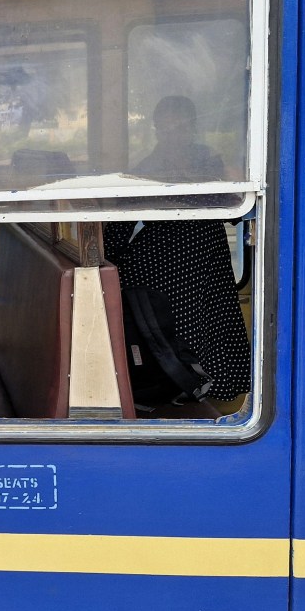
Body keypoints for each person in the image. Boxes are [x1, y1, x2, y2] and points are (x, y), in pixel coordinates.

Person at [105, 96, 251, 404]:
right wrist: (110, 259)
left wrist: (222, 177)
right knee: (167, 323)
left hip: (206, 256)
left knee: (213, 322)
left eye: (182, 127)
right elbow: (120, 224)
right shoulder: (145, 170)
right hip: (162, 262)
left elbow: (235, 210)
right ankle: (173, 384)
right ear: (157, 129)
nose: (175, 134)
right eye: (168, 128)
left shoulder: (209, 161)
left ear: (193, 128)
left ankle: (213, 388)